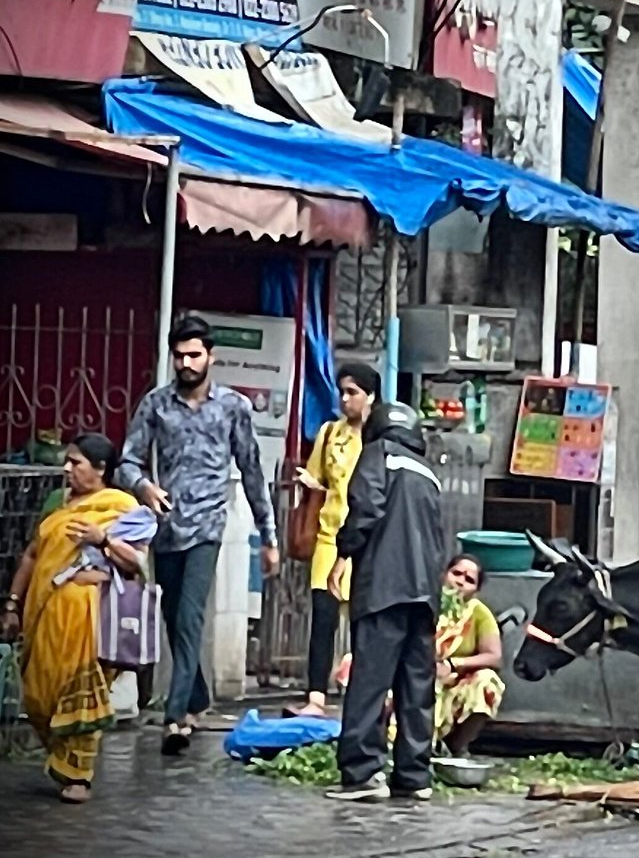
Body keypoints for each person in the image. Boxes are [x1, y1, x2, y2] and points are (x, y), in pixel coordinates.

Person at [117, 313, 279, 756]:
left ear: (211, 356)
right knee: (173, 616)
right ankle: (198, 696)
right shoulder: (156, 405)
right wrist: (143, 487)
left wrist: (268, 536)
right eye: (180, 356)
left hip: (208, 527)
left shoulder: (232, 407)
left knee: (190, 615)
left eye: (194, 355)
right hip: (166, 527)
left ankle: (176, 718)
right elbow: (127, 460)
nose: (187, 363)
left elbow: (251, 471)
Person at [0, 435, 148, 801]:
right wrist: (12, 604)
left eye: (76, 462)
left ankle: (78, 775)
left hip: (88, 616)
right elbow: (33, 555)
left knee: (80, 693)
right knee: (38, 697)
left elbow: (136, 563)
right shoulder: (57, 502)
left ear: (100, 469)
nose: (67, 468)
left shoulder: (121, 505)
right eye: (67, 461)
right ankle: (60, 758)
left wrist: (103, 540)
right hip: (45, 614)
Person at [325, 401, 446, 802]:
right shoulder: (428, 472)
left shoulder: (379, 455)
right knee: (416, 687)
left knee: (370, 682)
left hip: (383, 586)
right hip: (424, 593)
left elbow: (367, 507)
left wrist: (343, 554)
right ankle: (414, 776)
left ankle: (362, 772)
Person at [287, 362, 380, 719]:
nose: (345, 399)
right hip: (330, 536)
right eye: (342, 392)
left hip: (367, 541)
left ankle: (362, 699)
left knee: (363, 623)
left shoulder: (380, 438)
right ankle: (315, 697)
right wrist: (311, 486)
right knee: (323, 618)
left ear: (370, 396)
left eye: (352, 392)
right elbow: (316, 477)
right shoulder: (330, 434)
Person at [434, 555, 505, 755]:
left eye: (469, 580)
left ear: (476, 590)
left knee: (487, 681)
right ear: (443, 575)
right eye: (456, 573)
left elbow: (494, 656)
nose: (460, 582)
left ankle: (456, 747)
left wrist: (453, 664)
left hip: (455, 683)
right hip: (416, 679)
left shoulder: (479, 613)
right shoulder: (426, 604)